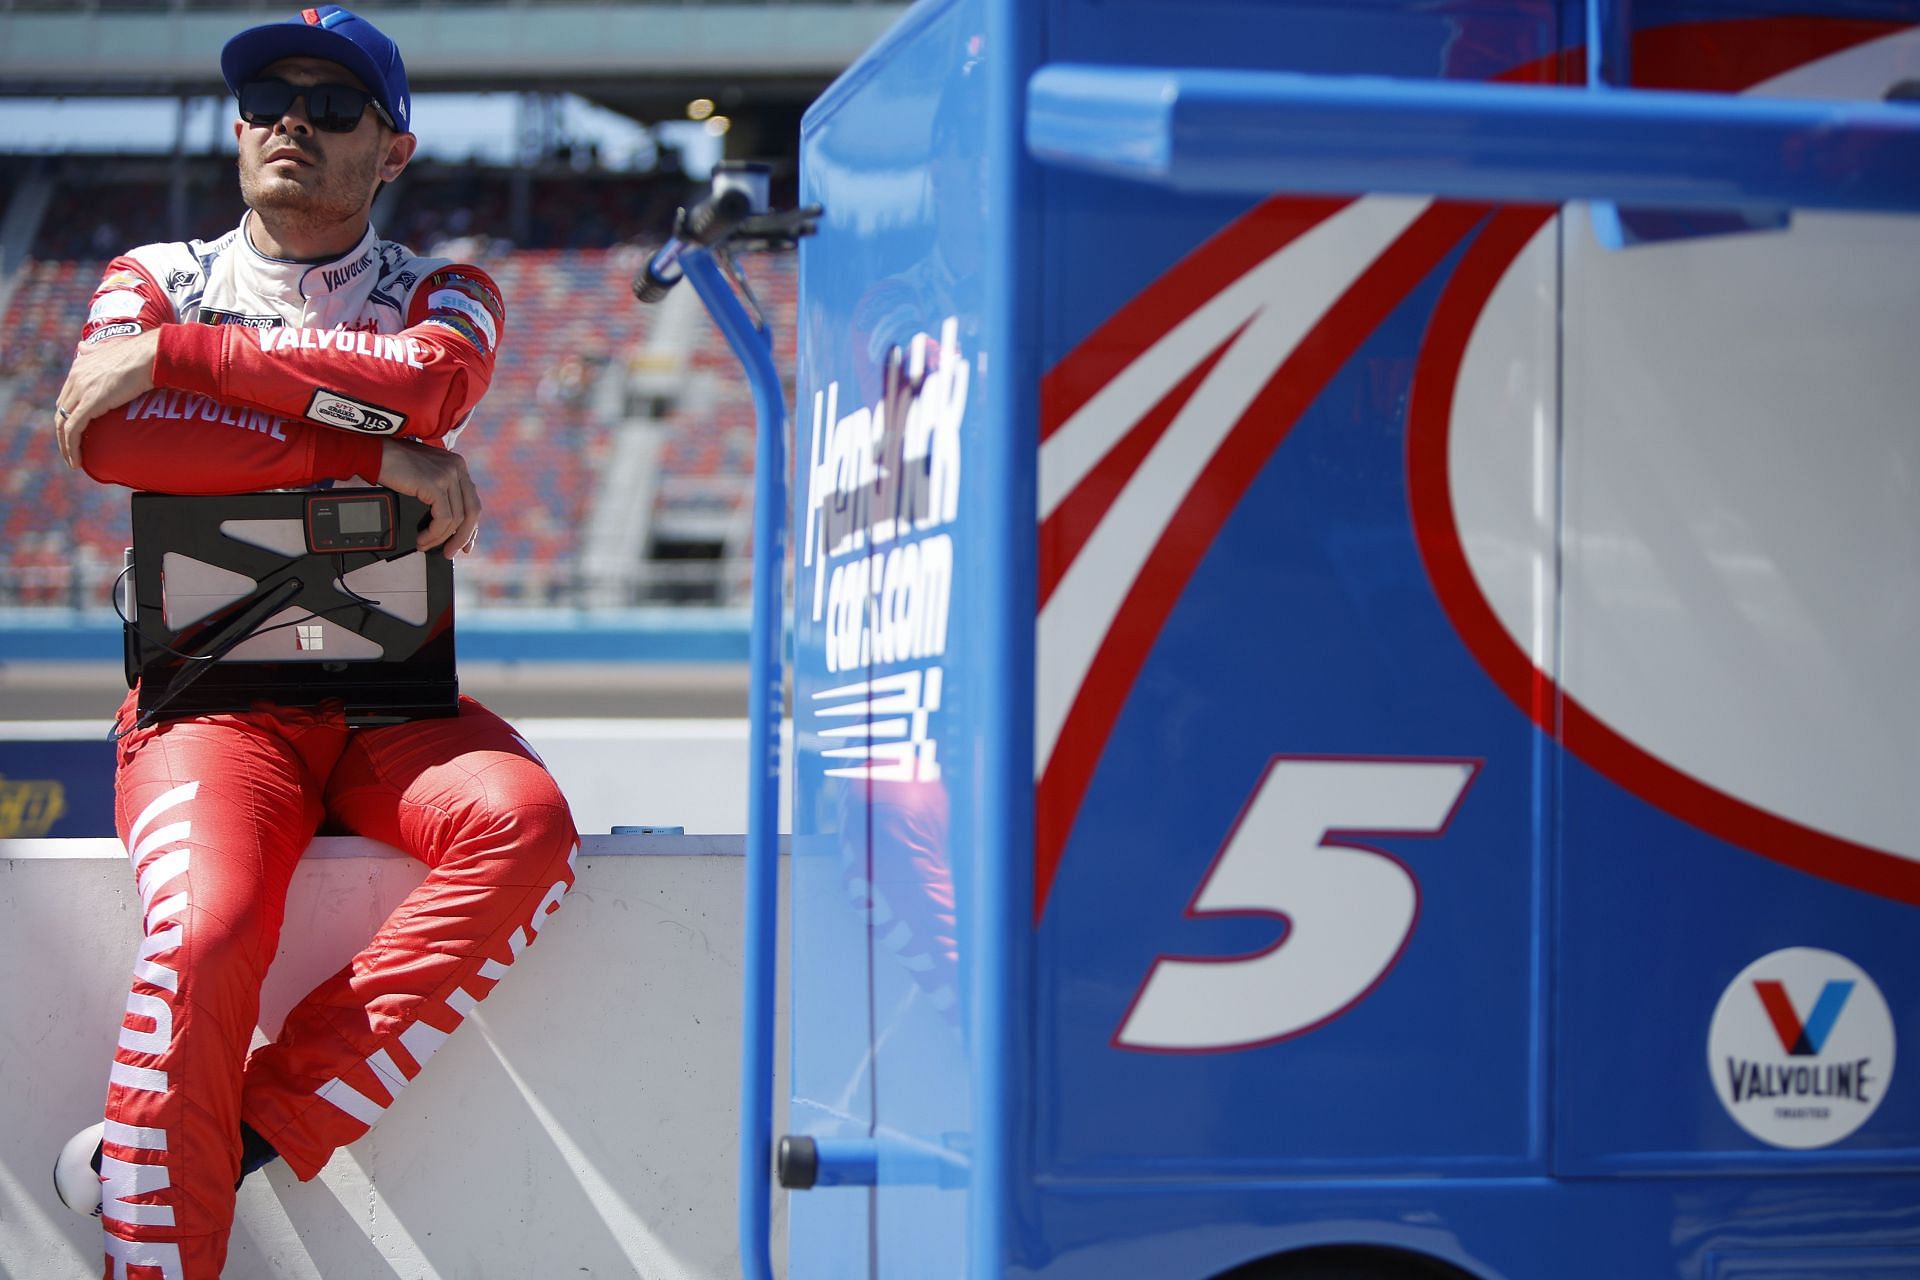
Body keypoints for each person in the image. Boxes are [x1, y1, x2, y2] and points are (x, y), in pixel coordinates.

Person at [47, 9, 581, 1279]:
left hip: (390, 711)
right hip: (206, 709)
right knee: (210, 930)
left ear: (390, 149)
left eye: (331, 105)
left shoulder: (449, 291)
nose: (291, 119)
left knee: (527, 825)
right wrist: (373, 452)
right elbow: (118, 442)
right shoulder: (148, 269)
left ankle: (237, 1131)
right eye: (266, 99)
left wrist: (188, 361)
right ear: (239, 129)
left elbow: (429, 387)